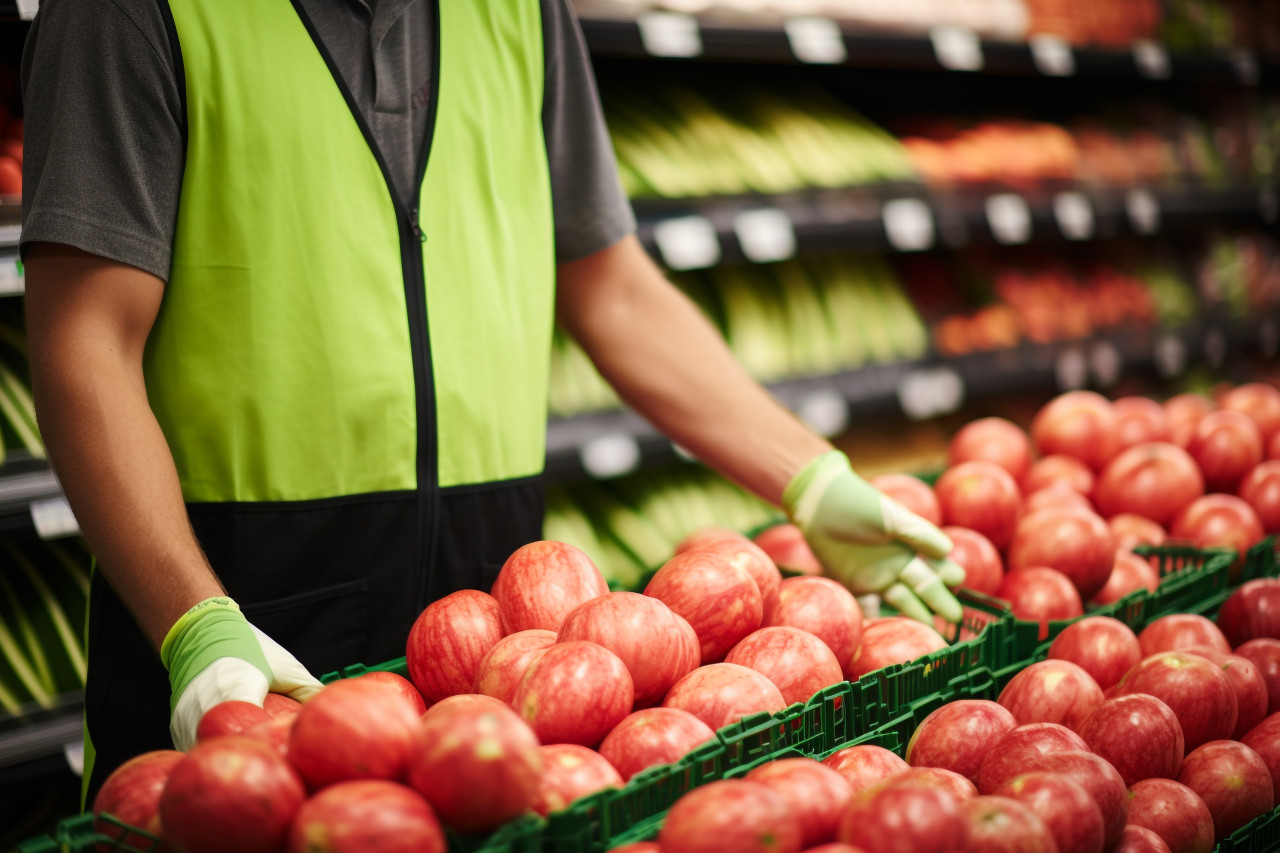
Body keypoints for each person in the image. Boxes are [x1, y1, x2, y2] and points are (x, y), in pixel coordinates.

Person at [20, 0, 964, 806]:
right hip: (241, 640)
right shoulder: (131, 10)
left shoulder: (518, 9)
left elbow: (614, 290)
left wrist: (812, 477)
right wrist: (195, 622)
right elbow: (84, 340)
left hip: (506, 655)